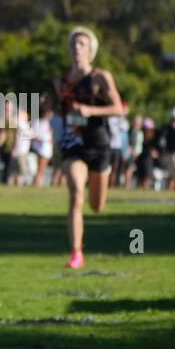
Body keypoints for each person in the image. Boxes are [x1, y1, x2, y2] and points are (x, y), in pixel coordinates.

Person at [55, 27, 124, 268]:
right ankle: (76, 253)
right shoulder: (61, 82)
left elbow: (119, 108)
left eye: (82, 44)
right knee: (75, 192)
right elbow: (62, 113)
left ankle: (103, 179)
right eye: (74, 44)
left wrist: (90, 111)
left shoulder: (100, 77)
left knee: (97, 205)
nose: (77, 48)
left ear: (91, 51)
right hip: (73, 145)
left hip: (99, 145)